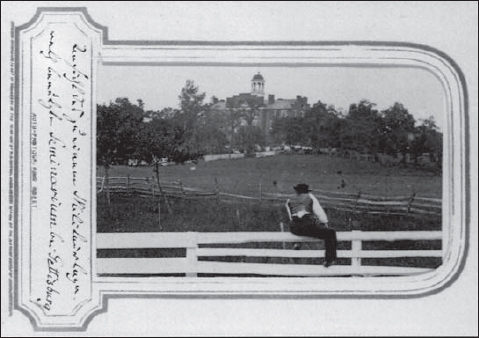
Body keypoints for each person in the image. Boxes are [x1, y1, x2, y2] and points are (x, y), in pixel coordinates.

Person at [286, 183, 337, 267]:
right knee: (330, 233)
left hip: (294, 227)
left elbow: (291, 215)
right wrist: (325, 223)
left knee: (301, 225)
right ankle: (329, 259)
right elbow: (319, 212)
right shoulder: (310, 197)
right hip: (306, 224)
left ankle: (297, 243)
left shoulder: (290, 200)